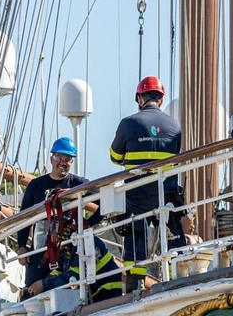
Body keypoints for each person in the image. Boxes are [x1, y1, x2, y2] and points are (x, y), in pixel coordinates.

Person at [108, 76, 185, 284]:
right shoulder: (174, 126)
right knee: (172, 230)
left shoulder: (128, 123)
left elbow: (115, 157)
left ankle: (136, 281)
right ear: (160, 100)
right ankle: (178, 271)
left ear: (139, 99)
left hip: (138, 194)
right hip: (166, 192)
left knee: (135, 232)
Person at [17, 138, 96, 297]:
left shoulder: (78, 183)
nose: (63, 162)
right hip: (40, 248)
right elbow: (24, 217)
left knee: (67, 289)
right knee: (32, 290)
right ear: (52, 158)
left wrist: (87, 224)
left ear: (72, 162)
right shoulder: (36, 185)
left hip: (67, 247)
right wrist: (21, 246)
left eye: (67, 159)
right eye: (59, 157)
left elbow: (103, 200)